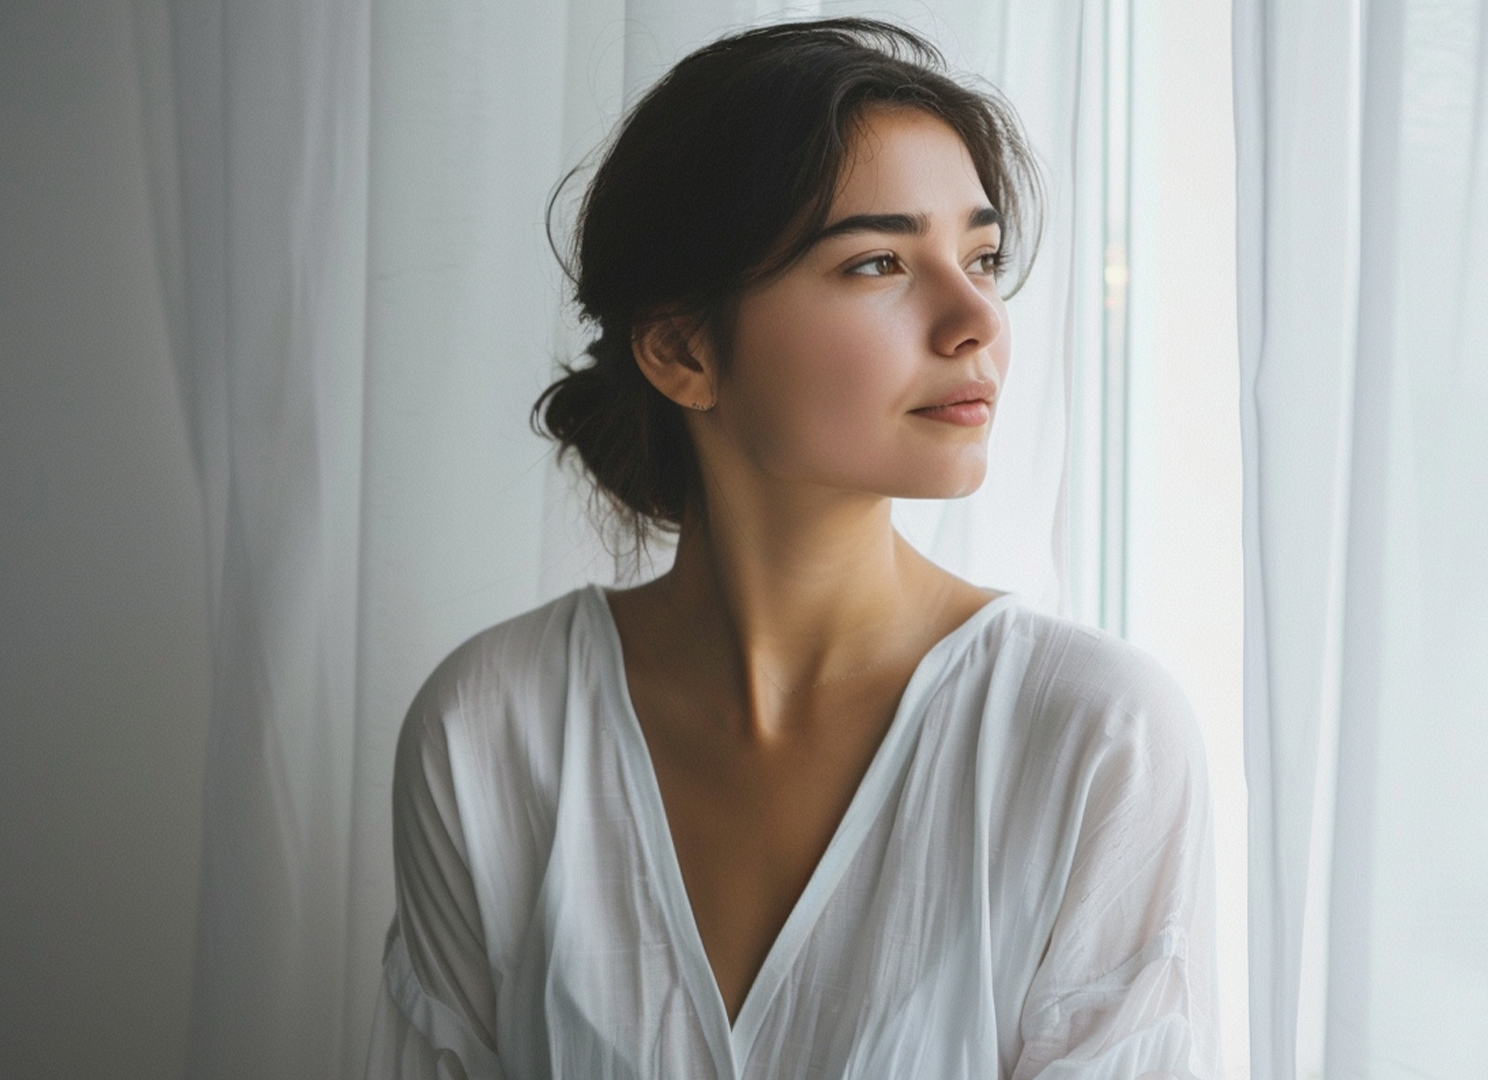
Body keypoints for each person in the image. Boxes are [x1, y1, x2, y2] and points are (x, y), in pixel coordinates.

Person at [364, 18, 1217, 1079]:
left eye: (984, 257)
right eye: (877, 262)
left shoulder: (1096, 737)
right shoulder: (494, 726)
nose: (975, 321)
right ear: (682, 348)